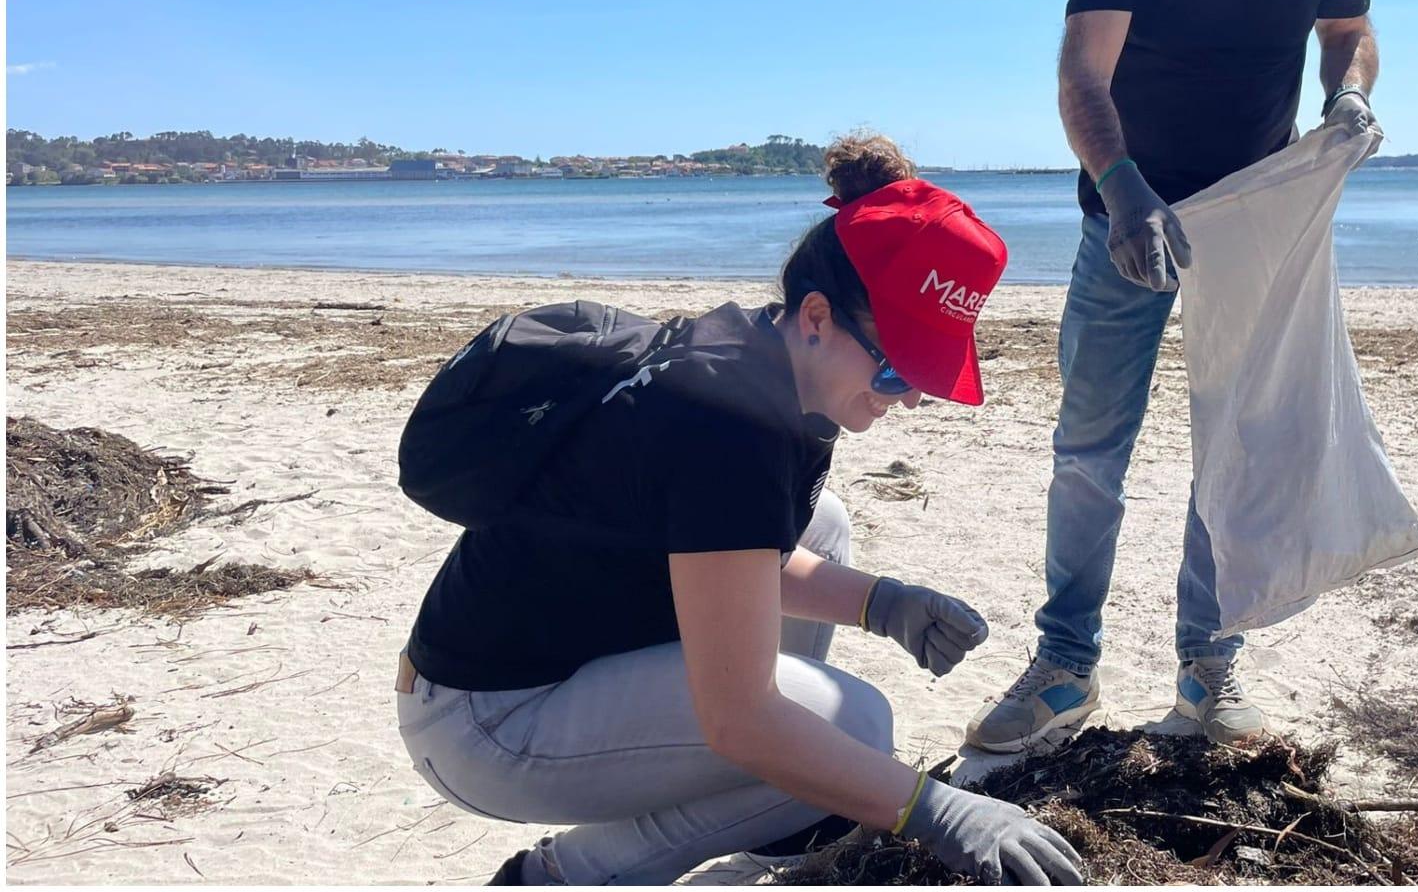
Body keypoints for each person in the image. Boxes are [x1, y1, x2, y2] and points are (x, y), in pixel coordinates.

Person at [395, 134, 1083, 886]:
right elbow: (740, 718)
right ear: (817, 316)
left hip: (534, 669)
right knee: (850, 725)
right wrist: (934, 810)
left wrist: (883, 604)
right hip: (490, 725)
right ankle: (563, 876)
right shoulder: (729, 431)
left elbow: (733, 554)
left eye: (927, 371)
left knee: (824, 526)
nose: (911, 395)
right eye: (895, 367)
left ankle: (780, 810)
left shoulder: (755, 357)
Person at [966, 0, 1381, 752]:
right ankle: (1065, 665)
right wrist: (1123, 193)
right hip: (1121, 216)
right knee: (1088, 451)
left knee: (1231, 451)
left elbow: (1350, 31)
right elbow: (1082, 74)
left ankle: (1208, 665)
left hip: (1250, 221)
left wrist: (1347, 94)